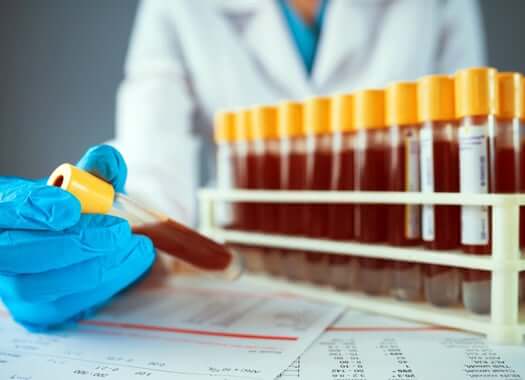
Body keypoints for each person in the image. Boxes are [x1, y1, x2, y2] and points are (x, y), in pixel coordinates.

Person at [0, 0, 485, 328]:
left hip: (402, 285)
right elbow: (153, 170)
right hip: (253, 275)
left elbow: (469, 149)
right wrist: (92, 237)